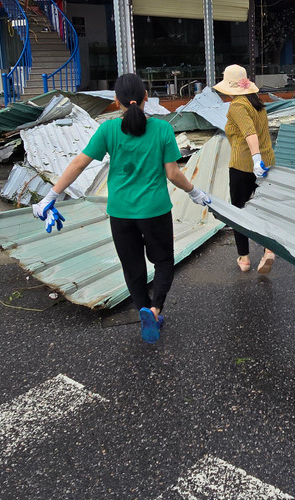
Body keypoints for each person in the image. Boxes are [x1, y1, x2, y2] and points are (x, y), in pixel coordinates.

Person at [33, 73, 212, 343]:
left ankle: (143, 308)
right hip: (154, 211)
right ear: (146, 99)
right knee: (163, 261)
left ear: (116, 102)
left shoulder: (108, 130)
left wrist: (50, 196)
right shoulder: (162, 129)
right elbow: (173, 174)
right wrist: (194, 192)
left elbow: (78, 164)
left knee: (132, 267)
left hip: (120, 213)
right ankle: (155, 309)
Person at [216, 64, 278, 274]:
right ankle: (269, 249)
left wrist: (255, 159)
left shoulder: (237, 106)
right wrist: (262, 160)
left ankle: (244, 258)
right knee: (265, 208)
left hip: (244, 165)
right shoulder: (257, 103)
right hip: (268, 163)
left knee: (238, 212)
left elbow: (250, 133)